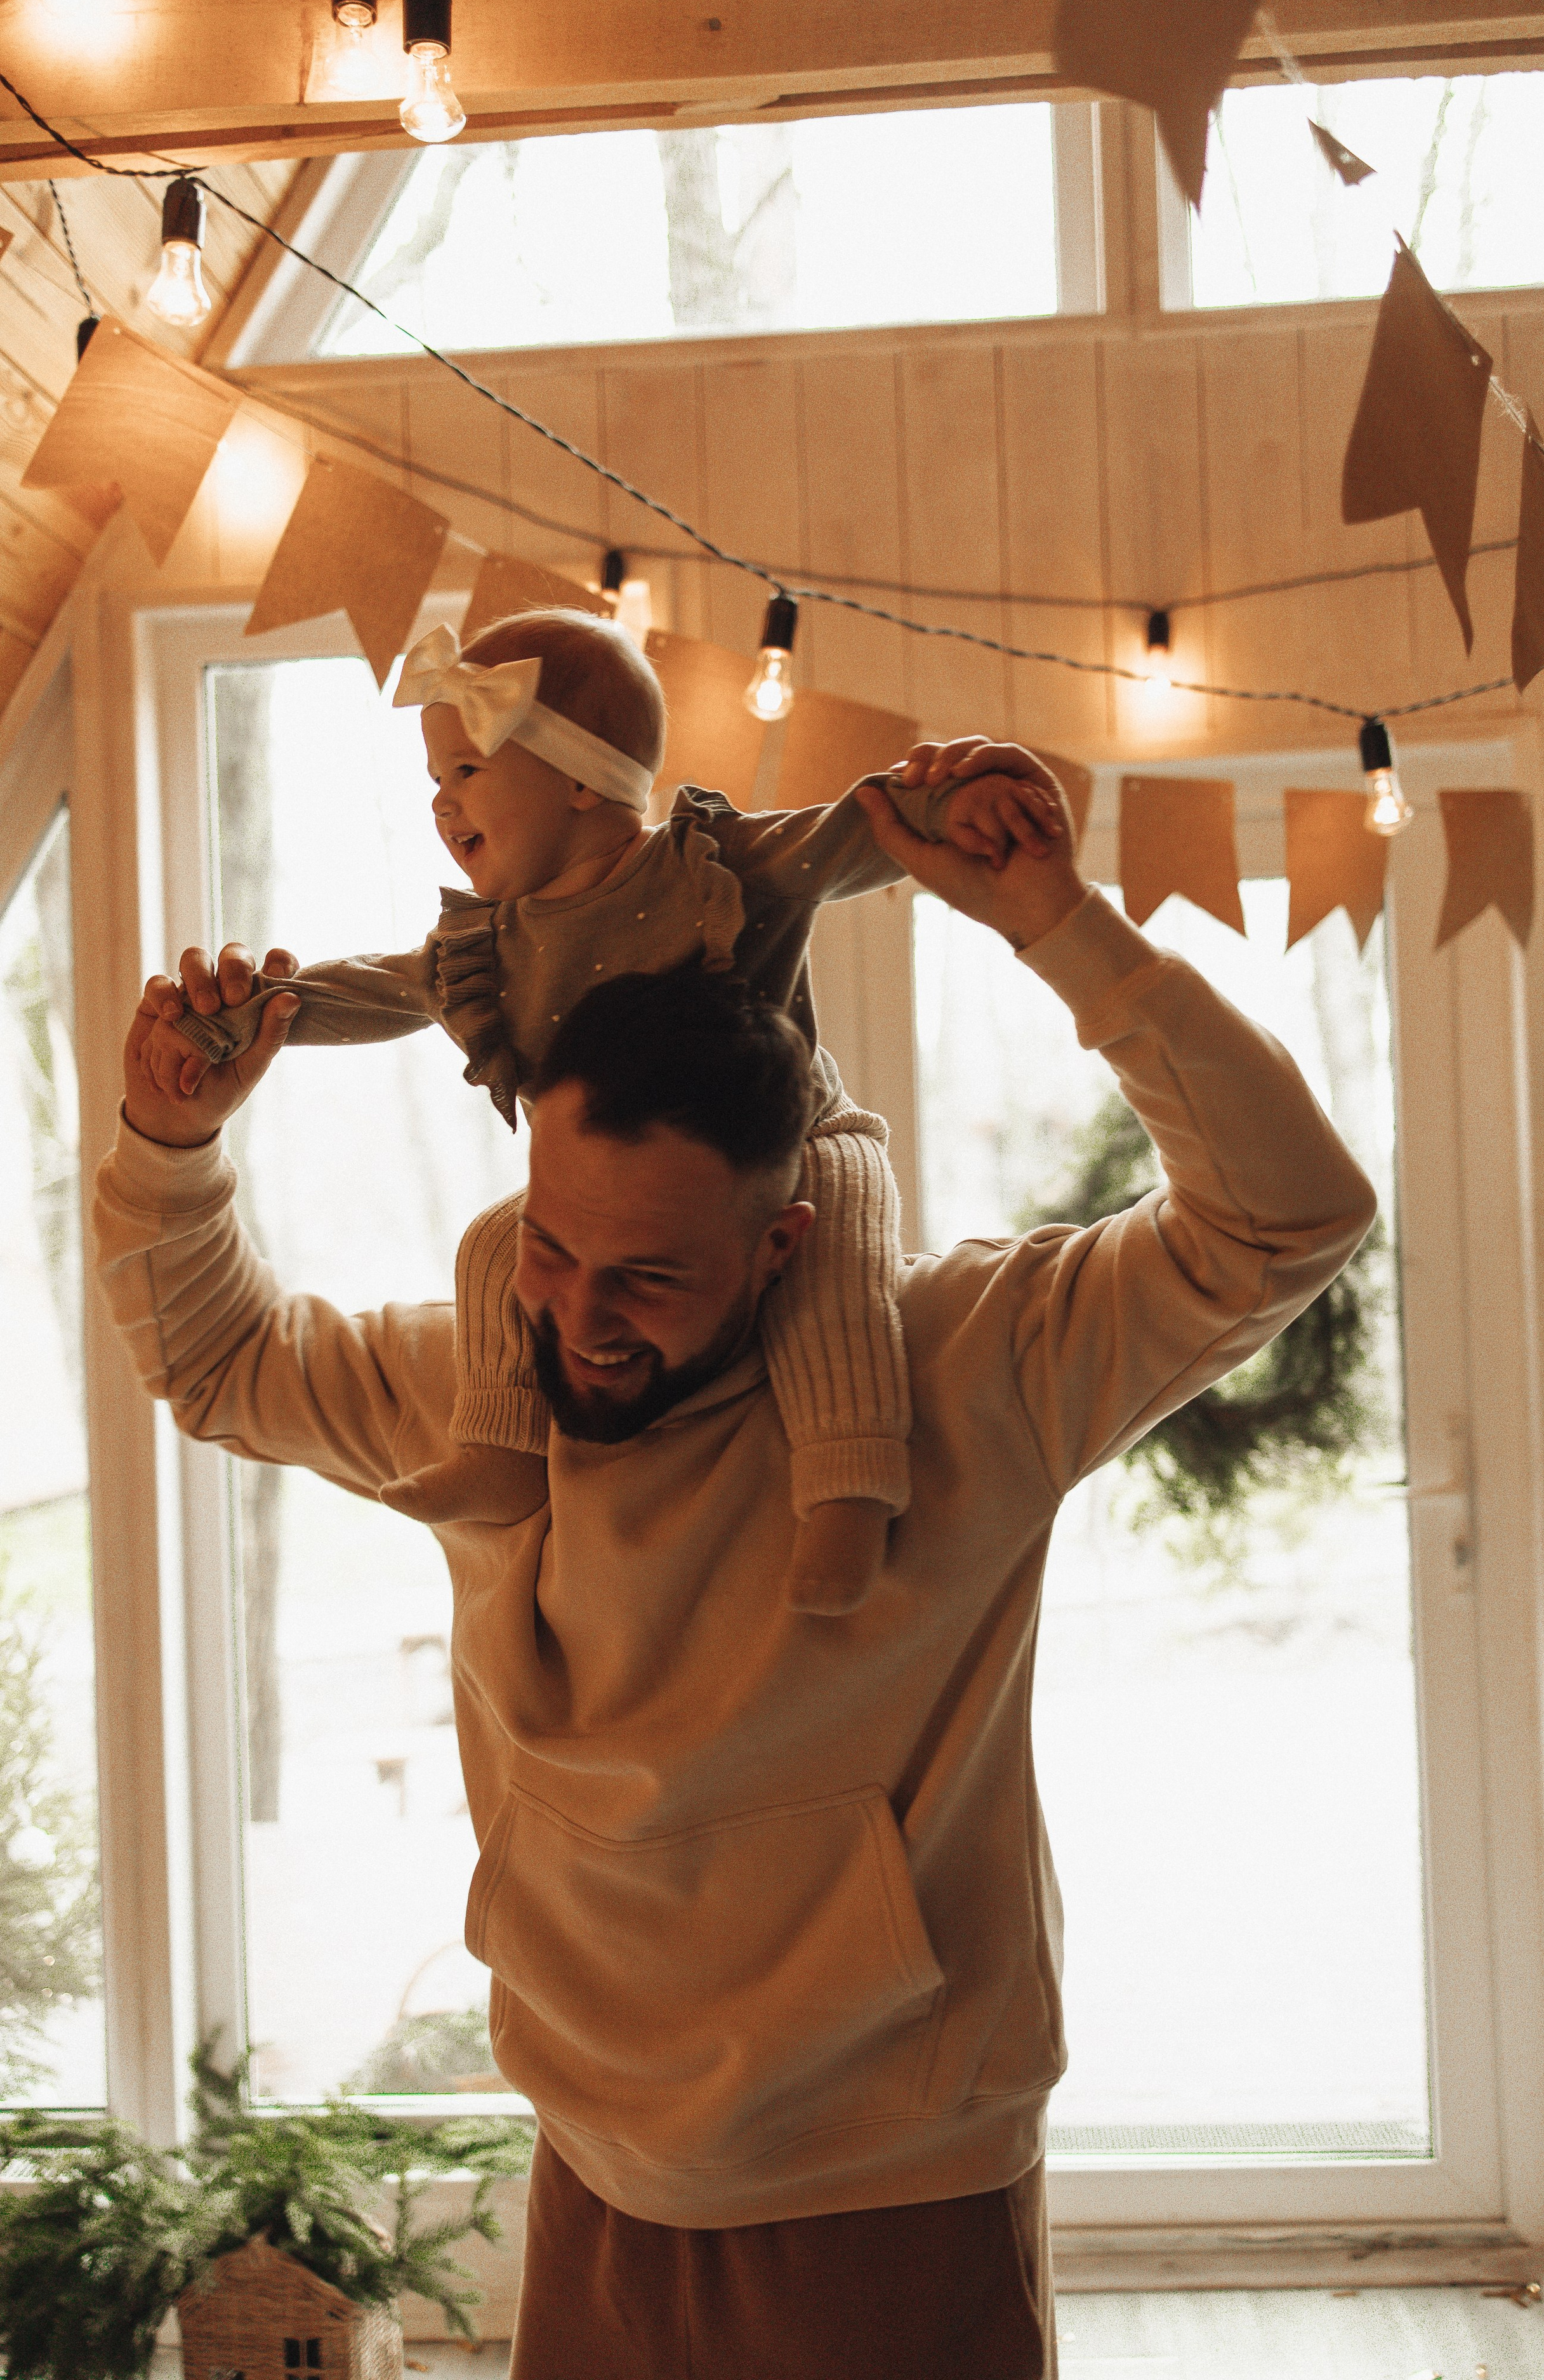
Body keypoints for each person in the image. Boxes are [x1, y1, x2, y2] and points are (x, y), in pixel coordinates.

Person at [96, 751, 1376, 2380]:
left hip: (889, 2189)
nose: (581, 1311)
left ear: (782, 1243)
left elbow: (1287, 1219)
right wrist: (165, 1136)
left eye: (647, 1274)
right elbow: (215, 1362)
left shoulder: (963, 1368)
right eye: (552, 1245)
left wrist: (1057, 926)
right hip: (598, 2176)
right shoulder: (491, 1384)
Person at [138, 609, 1062, 1615]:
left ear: (581, 778)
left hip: (796, 1144)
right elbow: (376, 991)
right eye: (435, 782)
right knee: (497, 1250)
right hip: (595, 1208)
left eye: (466, 774)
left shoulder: (714, 870)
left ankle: (848, 1489)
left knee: (837, 1279)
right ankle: (499, 1451)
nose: (442, 807)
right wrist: (247, 1020)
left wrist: (954, 802)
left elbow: (846, 835)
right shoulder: (489, 947)